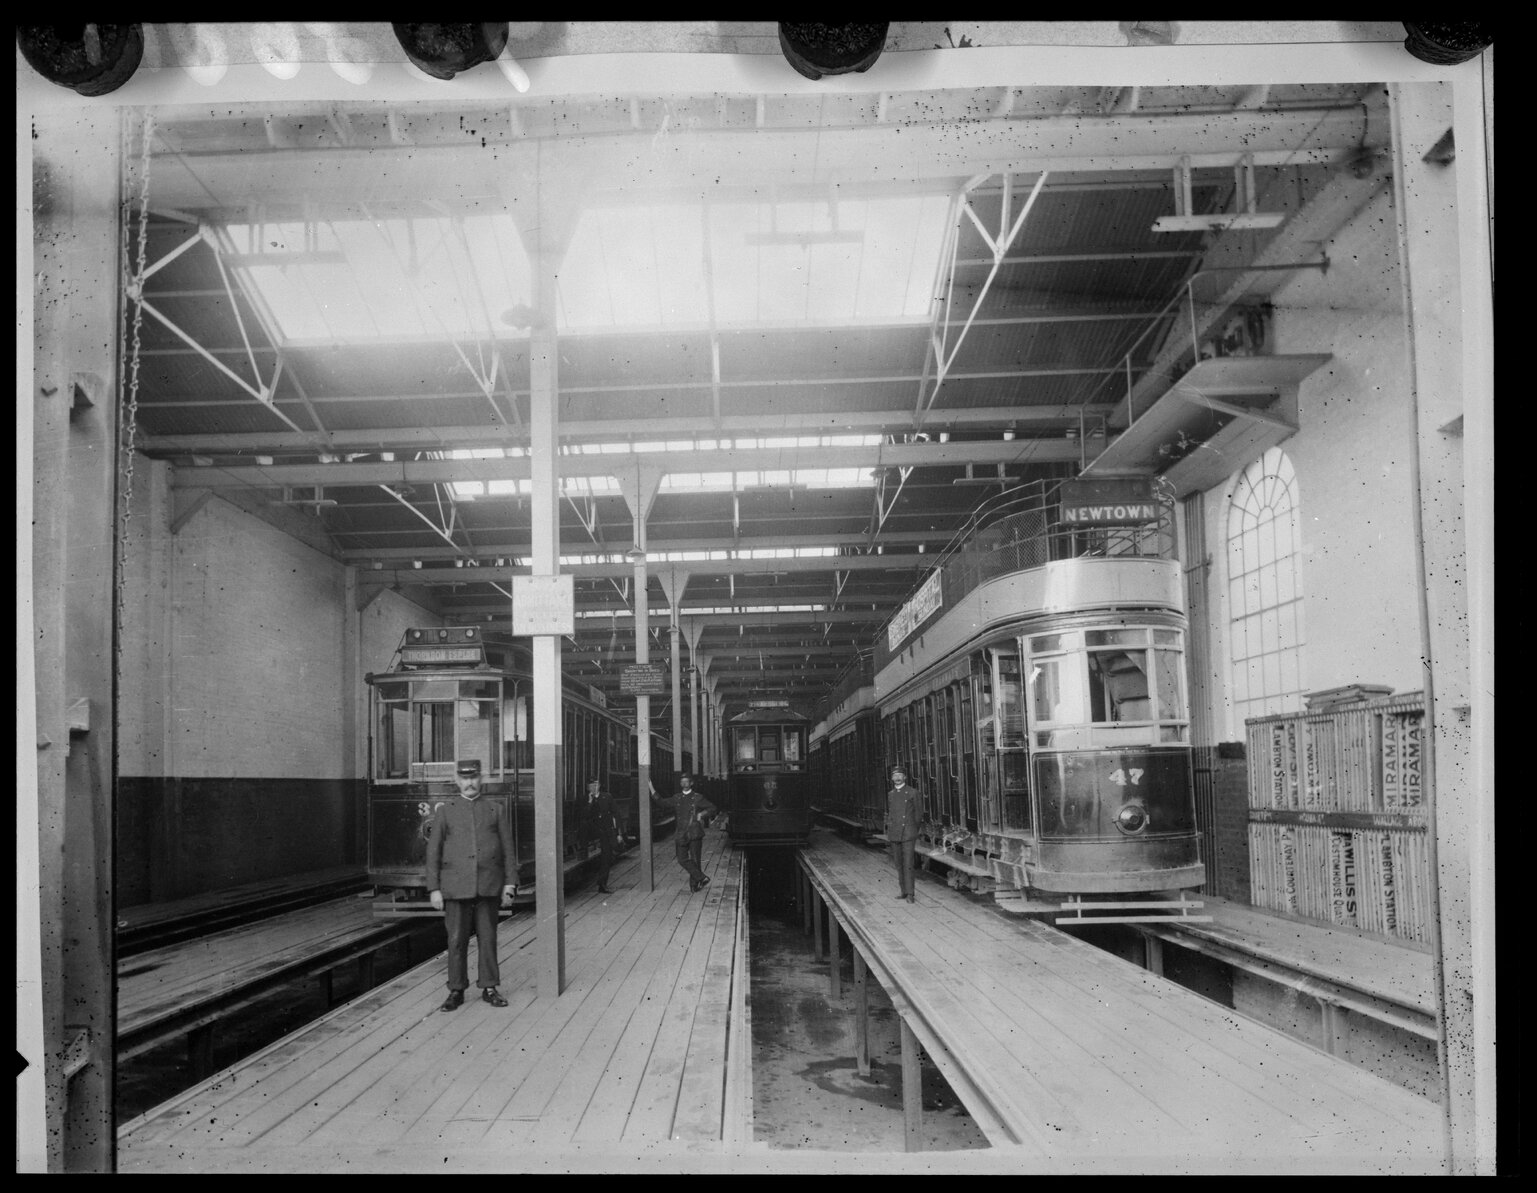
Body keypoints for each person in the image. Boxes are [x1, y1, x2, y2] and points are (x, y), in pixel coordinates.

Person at [425, 759, 517, 1011]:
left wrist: (510, 883)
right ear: (457, 781)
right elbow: (433, 852)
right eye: (464, 779)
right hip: (455, 887)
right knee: (456, 940)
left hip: (488, 885)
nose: (469, 783)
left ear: (481, 779)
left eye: (473, 778)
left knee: (488, 938)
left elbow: (509, 851)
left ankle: (489, 987)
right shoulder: (446, 811)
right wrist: (434, 889)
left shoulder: (495, 810)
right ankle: (456, 990)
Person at [663, 773, 718, 893]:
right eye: (682, 782)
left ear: (691, 783)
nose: (684, 784)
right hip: (681, 833)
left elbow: (712, 808)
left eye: (686, 781)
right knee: (681, 859)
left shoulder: (698, 797)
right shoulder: (677, 797)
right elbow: (663, 803)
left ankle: (694, 886)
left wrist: (701, 815)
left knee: (695, 859)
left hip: (694, 832)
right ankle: (702, 878)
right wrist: (652, 791)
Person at [886, 764, 921, 903]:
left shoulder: (913, 792)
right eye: (895, 776)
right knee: (898, 864)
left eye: (900, 775)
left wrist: (912, 830)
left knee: (908, 864)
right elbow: (891, 814)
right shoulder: (891, 794)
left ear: (905, 777)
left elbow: (918, 814)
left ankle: (911, 894)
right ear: (892, 778)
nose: (897, 778)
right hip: (895, 833)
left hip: (907, 833)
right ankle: (903, 892)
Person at [583, 777, 618, 893]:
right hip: (593, 833)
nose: (595, 787)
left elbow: (615, 814)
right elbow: (585, 816)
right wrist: (589, 801)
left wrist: (618, 833)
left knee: (607, 857)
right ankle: (601, 883)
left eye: (596, 785)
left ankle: (602, 884)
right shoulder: (586, 799)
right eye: (592, 785)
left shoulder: (607, 797)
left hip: (606, 832)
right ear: (588, 787)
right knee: (603, 858)